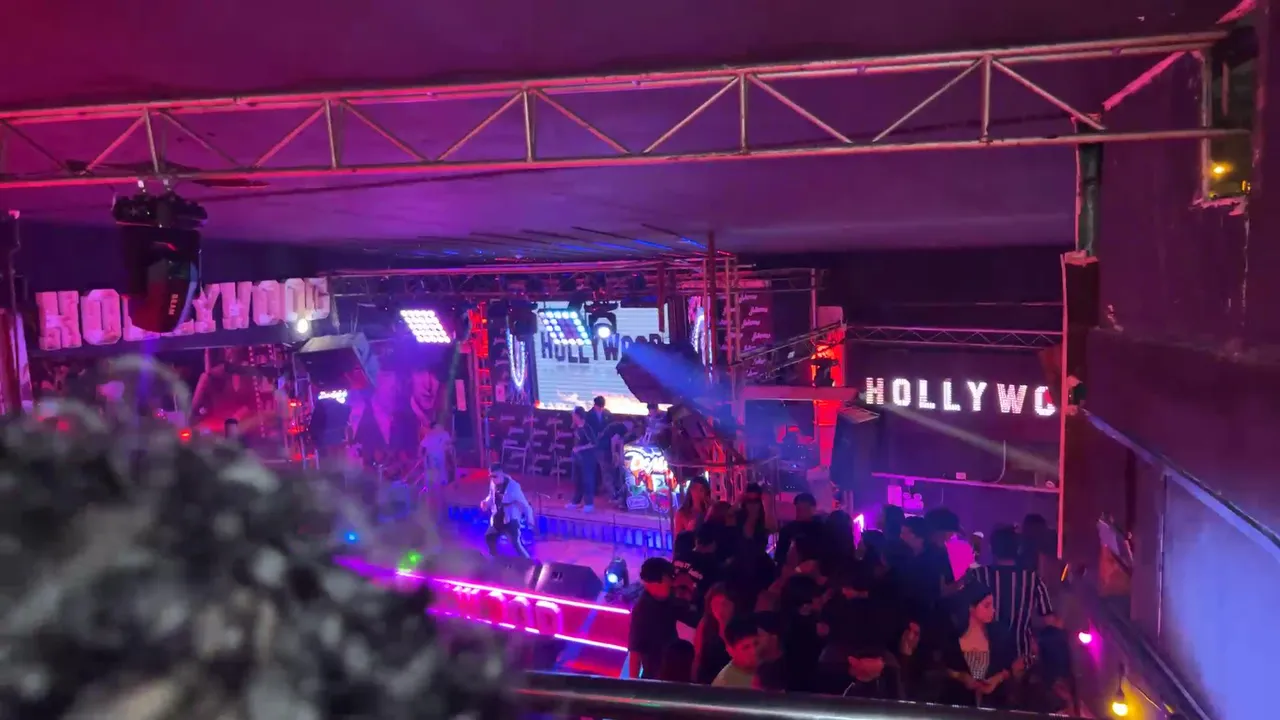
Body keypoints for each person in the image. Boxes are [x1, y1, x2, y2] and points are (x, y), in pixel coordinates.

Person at [970, 525, 1057, 663]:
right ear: (1018, 549)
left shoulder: (978, 576)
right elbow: (1049, 620)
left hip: (984, 659)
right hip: (1021, 658)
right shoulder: (1032, 579)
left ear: (991, 548)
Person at [941, 584, 1021, 708]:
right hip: (959, 707)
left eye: (992, 605)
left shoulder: (999, 635)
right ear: (971, 608)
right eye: (987, 606)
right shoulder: (953, 638)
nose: (993, 610)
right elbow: (942, 668)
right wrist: (960, 677)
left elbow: (1011, 668)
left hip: (994, 706)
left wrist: (996, 679)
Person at [627, 557, 698, 679]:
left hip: (674, 665)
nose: (672, 583)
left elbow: (692, 616)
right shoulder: (642, 611)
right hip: (656, 674)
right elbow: (635, 653)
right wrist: (634, 685)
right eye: (670, 578)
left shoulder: (669, 598)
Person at [481, 463, 534, 558]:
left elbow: (524, 504)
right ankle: (495, 558)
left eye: (495, 476)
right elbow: (491, 497)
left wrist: (530, 520)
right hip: (497, 518)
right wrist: (486, 502)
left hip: (510, 520)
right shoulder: (493, 484)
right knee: (489, 536)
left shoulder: (513, 486)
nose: (492, 479)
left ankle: (528, 562)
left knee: (516, 544)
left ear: (501, 473)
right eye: (491, 476)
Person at [692, 583, 735, 684]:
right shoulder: (705, 624)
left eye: (724, 604)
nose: (720, 609)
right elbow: (698, 656)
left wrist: (723, 625)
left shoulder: (739, 626)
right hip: (706, 680)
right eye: (716, 604)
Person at [673, 523, 721, 612]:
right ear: (714, 543)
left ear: (696, 540)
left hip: (673, 608)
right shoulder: (712, 566)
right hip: (695, 612)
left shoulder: (679, 557)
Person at [775, 492, 822, 571]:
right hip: (792, 573)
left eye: (805, 510)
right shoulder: (787, 530)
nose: (801, 513)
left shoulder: (821, 529)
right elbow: (781, 558)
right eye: (800, 510)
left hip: (814, 572)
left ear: (813, 509)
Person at [711, 616, 760, 688]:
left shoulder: (768, 665)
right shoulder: (724, 684)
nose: (754, 651)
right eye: (746, 647)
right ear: (731, 650)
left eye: (756, 644)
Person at [566, 408, 598, 512]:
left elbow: (593, 443)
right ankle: (576, 502)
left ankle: (589, 503)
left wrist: (580, 448)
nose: (572, 417)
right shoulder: (576, 427)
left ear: (578, 416)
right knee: (577, 480)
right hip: (577, 459)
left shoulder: (587, 428)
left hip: (587, 459)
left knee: (587, 481)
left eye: (573, 415)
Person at [736, 482, 776, 556]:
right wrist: (738, 501)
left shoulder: (763, 517)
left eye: (756, 501)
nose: (752, 505)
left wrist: (768, 507)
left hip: (759, 557)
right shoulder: (739, 516)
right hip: (741, 557)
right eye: (749, 501)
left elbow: (772, 528)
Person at [419, 418, 452, 487]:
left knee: (436, 469)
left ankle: (436, 484)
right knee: (437, 469)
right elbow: (422, 445)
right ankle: (437, 484)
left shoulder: (441, 433)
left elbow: (422, 445)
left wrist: (420, 454)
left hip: (434, 454)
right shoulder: (432, 434)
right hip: (434, 455)